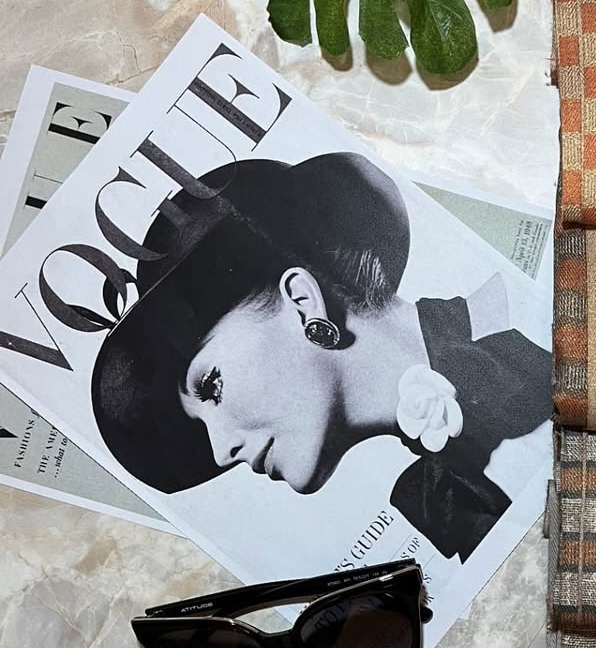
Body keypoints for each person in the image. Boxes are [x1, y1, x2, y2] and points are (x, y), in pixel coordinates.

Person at [91, 152, 552, 561]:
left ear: (303, 302)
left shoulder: (533, 308)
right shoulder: (437, 500)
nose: (220, 452)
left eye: (210, 386)